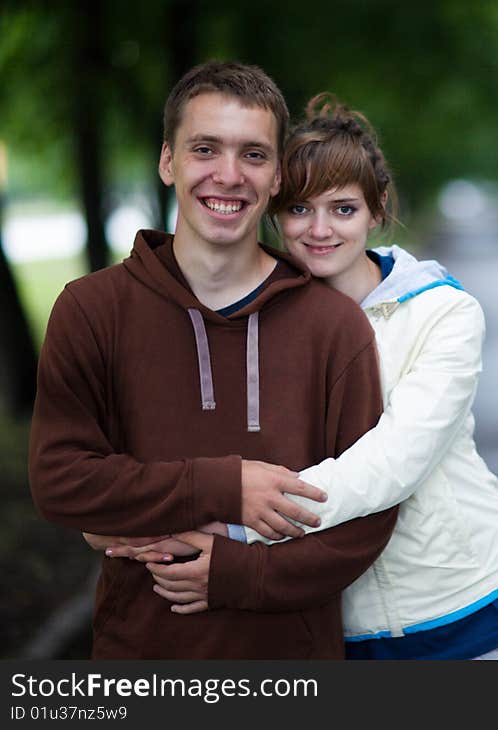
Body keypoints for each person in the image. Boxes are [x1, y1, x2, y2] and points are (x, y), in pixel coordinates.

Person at [104, 93, 498, 660]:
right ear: (273, 210)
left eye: (343, 209)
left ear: (377, 208)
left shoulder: (443, 313)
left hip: (474, 614)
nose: (319, 230)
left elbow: (393, 463)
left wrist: (237, 526)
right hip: (338, 630)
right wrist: (130, 517)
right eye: (299, 209)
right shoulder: (256, 321)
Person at [28, 64, 397, 659]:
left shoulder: (332, 326)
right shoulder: (92, 309)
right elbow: (62, 481)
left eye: (253, 155)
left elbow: (369, 516)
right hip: (141, 657)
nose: (228, 175)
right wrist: (226, 486)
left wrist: (236, 572)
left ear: (277, 176)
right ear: (168, 161)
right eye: (206, 149)